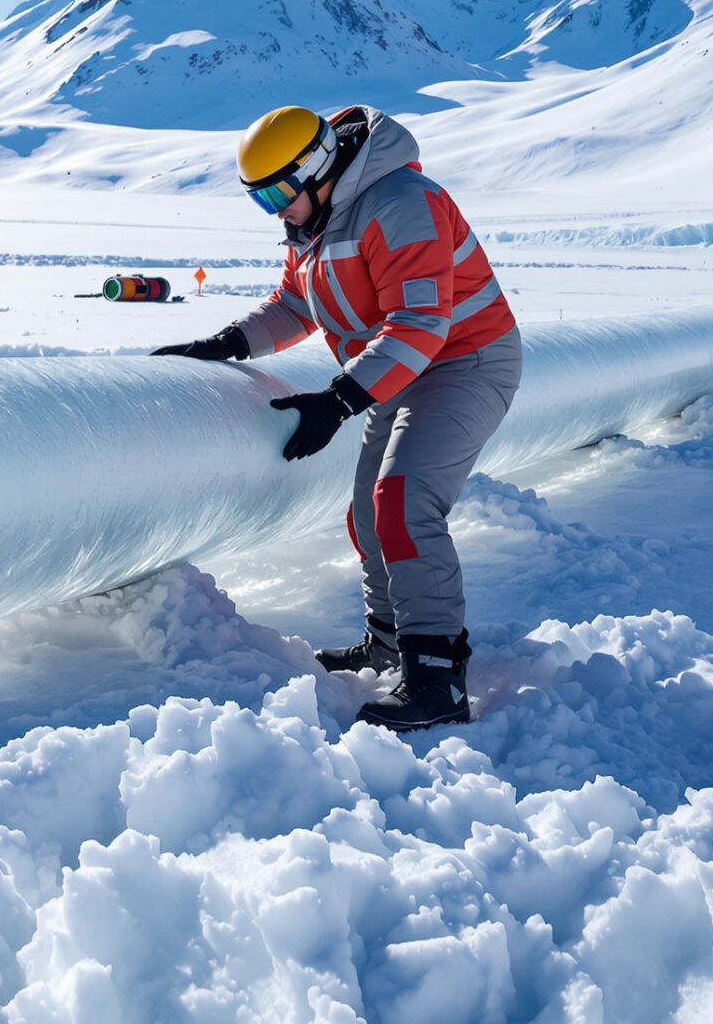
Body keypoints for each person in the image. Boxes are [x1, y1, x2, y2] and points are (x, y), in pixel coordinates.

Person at [154, 104, 521, 731]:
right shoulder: (318, 220)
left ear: (318, 166)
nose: (275, 210)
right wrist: (229, 342)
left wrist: (339, 400)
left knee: (403, 502)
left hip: (464, 363)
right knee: (367, 512)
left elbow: (422, 324)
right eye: (258, 198)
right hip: (396, 372)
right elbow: (296, 304)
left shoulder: (402, 202)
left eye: (278, 192)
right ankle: (388, 642)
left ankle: (437, 676)